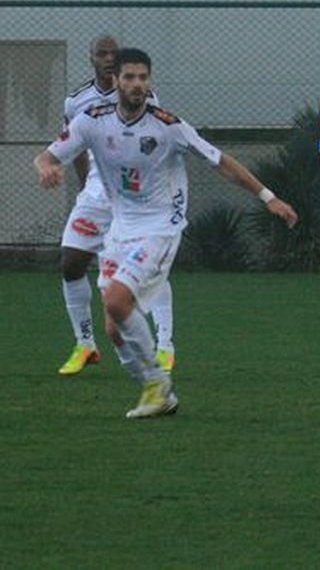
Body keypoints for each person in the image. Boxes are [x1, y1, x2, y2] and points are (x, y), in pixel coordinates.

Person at [35, 48, 298, 418]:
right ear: (116, 81)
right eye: (129, 77)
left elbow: (220, 161)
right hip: (120, 229)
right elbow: (47, 155)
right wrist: (46, 168)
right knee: (115, 328)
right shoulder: (91, 120)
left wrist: (268, 197)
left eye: (143, 77)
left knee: (114, 302)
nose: (137, 84)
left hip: (160, 228)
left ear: (150, 82)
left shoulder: (168, 125)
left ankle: (157, 384)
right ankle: (157, 392)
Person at [55, 35, 180, 376]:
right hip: (97, 193)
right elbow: (73, 146)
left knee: (149, 266)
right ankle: (85, 344)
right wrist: (83, 184)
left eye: (113, 53)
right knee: (70, 262)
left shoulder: (142, 95)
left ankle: (166, 346)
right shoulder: (76, 101)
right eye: (102, 54)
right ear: (91, 57)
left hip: (135, 196)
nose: (108, 59)